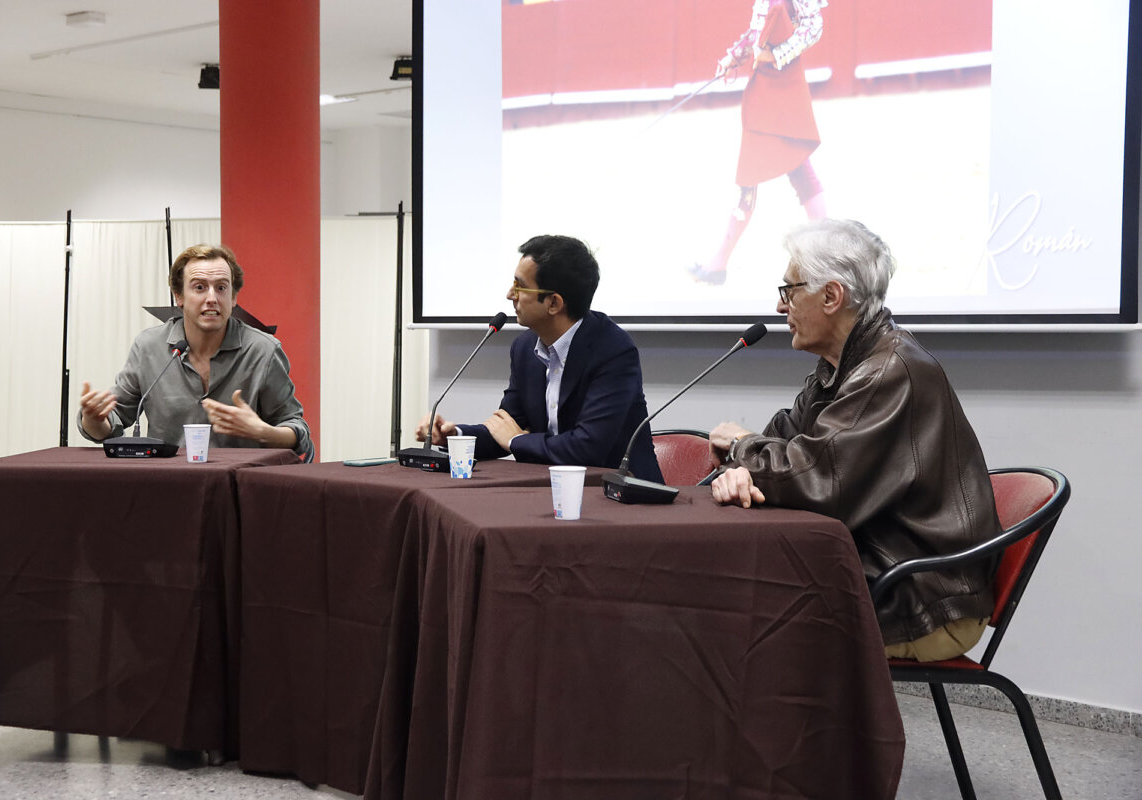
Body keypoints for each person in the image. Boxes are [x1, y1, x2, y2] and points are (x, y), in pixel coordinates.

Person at [708, 219, 999, 661]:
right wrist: (738, 469)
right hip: (873, 570)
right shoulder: (838, 366)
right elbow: (779, 445)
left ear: (831, 296)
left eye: (789, 290)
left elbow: (816, 481)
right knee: (724, 600)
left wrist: (738, 449)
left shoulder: (890, 370)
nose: (780, 305)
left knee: (740, 618)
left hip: (920, 595)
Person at [416, 235, 662, 482]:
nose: (510, 294)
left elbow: (587, 447)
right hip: (551, 488)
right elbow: (506, 427)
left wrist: (516, 440)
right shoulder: (525, 349)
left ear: (554, 303)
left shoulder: (612, 350)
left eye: (519, 286)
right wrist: (453, 435)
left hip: (621, 494)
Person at [78, 243, 313, 458]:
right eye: (199, 287)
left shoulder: (263, 351)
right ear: (179, 296)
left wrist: (264, 432)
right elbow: (112, 422)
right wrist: (93, 419)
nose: (212, 298)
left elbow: (298, 431)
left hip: (242, 486)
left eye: (221, 288)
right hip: (168, 486)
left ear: (233, 298)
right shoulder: (149, 347)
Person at [688, 0, 828, 286]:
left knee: (796, 167)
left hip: (783, 85)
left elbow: (814, 26)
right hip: (767, 87)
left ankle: (829, 252)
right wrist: (735, 56)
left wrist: (776, 55)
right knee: (769, 170)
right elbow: (758, 31)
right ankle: (718, 263)